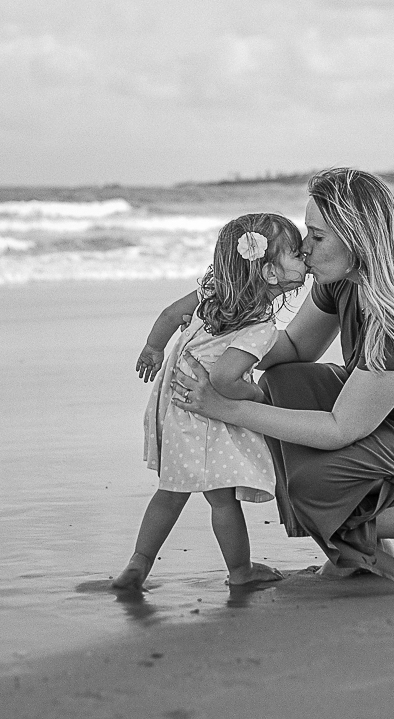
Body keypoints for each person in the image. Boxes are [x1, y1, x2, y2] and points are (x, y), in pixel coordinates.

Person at [171, 169, 394, 589]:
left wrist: (229, 408)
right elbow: (294, 350)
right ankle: (366, 555)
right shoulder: (345, 276)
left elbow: (341, 429)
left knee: (313, 483)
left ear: (359, 238)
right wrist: (219, 337)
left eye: (317, 237)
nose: (304, 250)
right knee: (284, 381)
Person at [112, 213, 309, 590]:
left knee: (170, 492)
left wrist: (153, 348)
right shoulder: (260, 328)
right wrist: (258, 395)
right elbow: (223, 379)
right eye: (297, 254)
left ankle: (137, 564)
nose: (305, 259)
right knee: (222, 501)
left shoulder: (212, 291)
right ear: (270, 274)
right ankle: (240, 572)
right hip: (207, 417)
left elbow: (171, 314)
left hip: (176, 404)